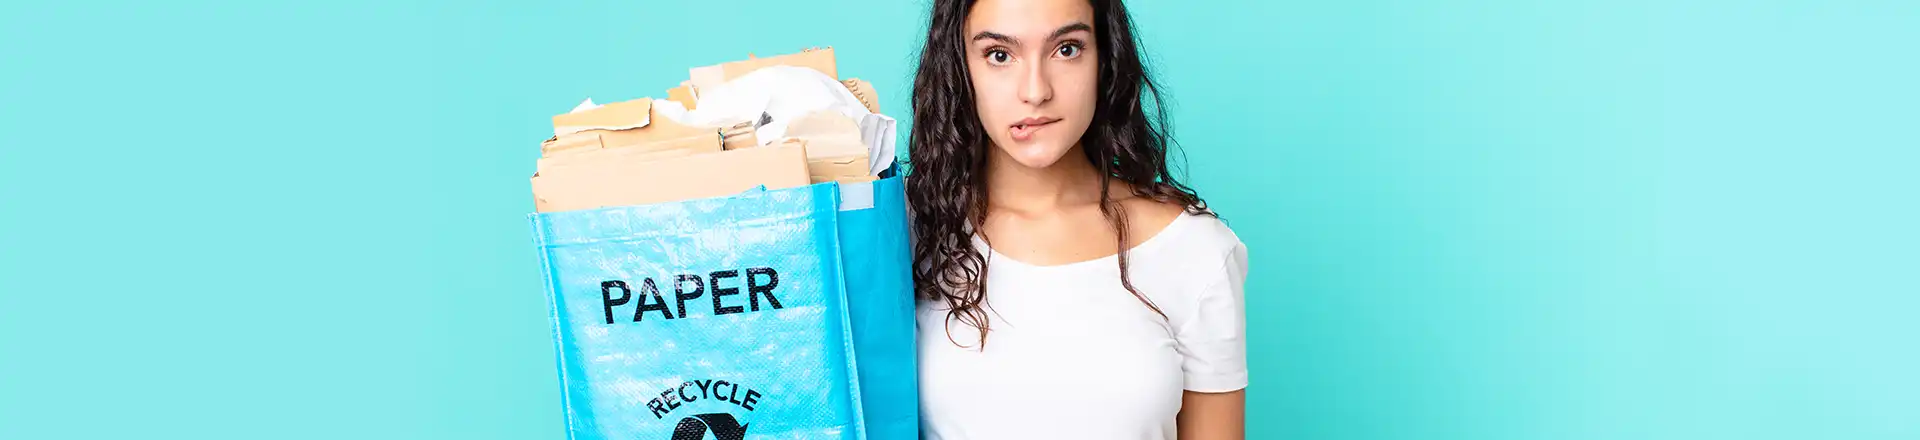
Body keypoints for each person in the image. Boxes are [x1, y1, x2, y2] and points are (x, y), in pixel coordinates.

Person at [906, 0, 1250, 438]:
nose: (1035, 91)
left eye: (1066, 49)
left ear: (1104, 59)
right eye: (999, 54)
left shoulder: (1193, 249)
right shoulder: (906, 230)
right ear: (959, 67)